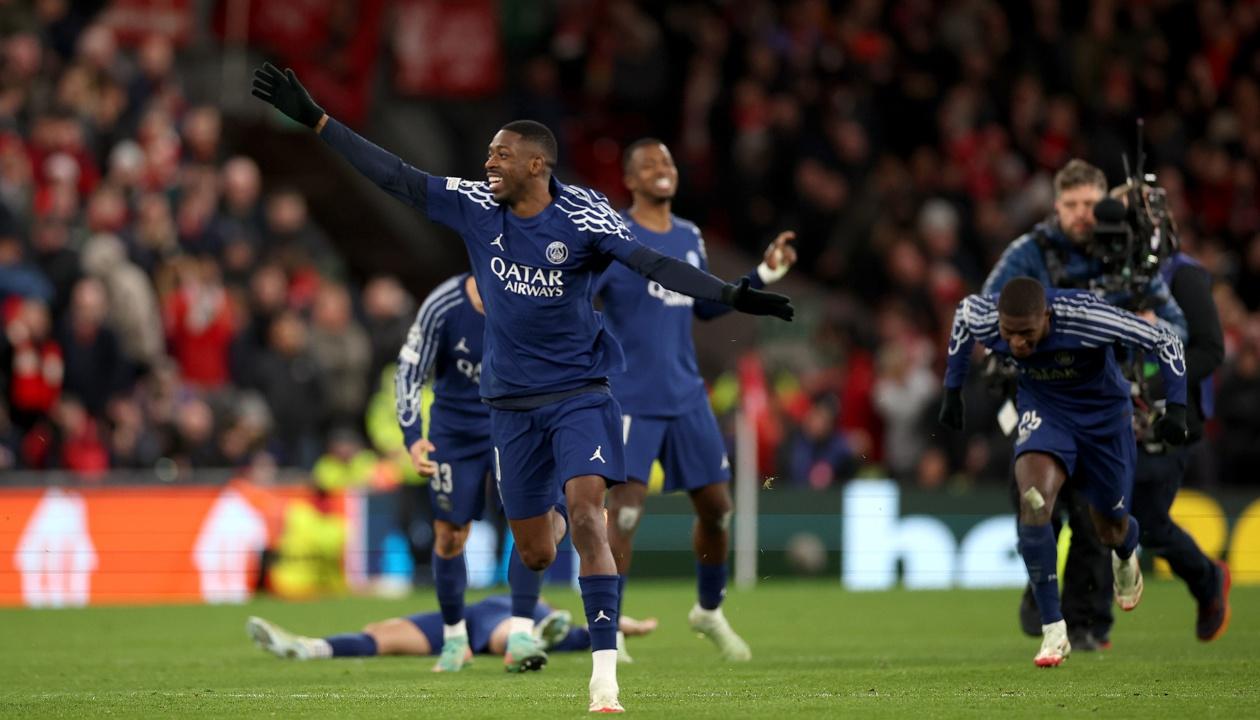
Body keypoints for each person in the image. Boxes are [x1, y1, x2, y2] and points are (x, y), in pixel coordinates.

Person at [252, 63, 793, 713]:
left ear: (537, 166)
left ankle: (603, 681)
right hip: (510, 408)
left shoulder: (585, 215)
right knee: (535, 551)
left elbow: (651, 262)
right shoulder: (478, 205)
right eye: (488, 154)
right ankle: (557, 530)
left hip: (581, 393)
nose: (489, 164)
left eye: (501, 155)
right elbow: (396, 176)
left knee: (591, 515)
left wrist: (734, 292)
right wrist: (317, 119)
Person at [596, 138, 795, 663]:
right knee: (627, 514)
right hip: (632, 397)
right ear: (631, 180)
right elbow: (584, 299)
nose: (663, 169)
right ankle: (609, 629)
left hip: (686, 396)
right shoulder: (613, 237)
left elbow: (705, 307)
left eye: (668, 161)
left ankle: (709, 610)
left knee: (719, 510)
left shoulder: (688, 236)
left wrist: (764, 276)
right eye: (649, 164)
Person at [982, 159, 1189, 650]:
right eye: (1071, 204)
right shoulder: (1029, 252)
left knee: (1097, 512)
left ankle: (1087, 623)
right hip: (1040, 391)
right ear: (1056, 206)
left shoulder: (1128, 255)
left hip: (1104, 398)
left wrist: (1145, 325)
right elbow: (991, 307)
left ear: (1106, 203)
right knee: (1035, 502)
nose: (1081, 214)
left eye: (1089, 204)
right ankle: (1045, 594)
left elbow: (1176, 328)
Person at [939, 277, 1188, 667]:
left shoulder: (1087, 317)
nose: (1017, 343)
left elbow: (1166, 341)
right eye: (1009, 334)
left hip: (1104, 419)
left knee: (1110, 527)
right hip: (1046, 411)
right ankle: (1054, 630)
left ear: (1048, 317)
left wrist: (1177, 407)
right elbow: (962, 319)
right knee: (1033, 502)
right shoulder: (986, 317)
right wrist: (952, 389)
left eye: (1027, 333)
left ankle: (1125, 547)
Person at [395, 273, 549, 673]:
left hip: (512, 427)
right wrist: (413, 436)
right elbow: (410, 371)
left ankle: (520, 633)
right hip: (455, 434)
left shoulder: (528, 298)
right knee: (449, 535)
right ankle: (454, 639)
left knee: (528, 526)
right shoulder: (443, 305)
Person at [245, 595, 658, 662]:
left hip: (495, 617)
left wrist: (632, 627)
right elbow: (600, 620)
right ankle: (306, 646)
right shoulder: (559, 614)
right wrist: (634, 626)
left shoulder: (567, 624)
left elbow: (598, 624)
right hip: (484, 613)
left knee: (504, 637)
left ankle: (534, 639)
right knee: (380, 630)